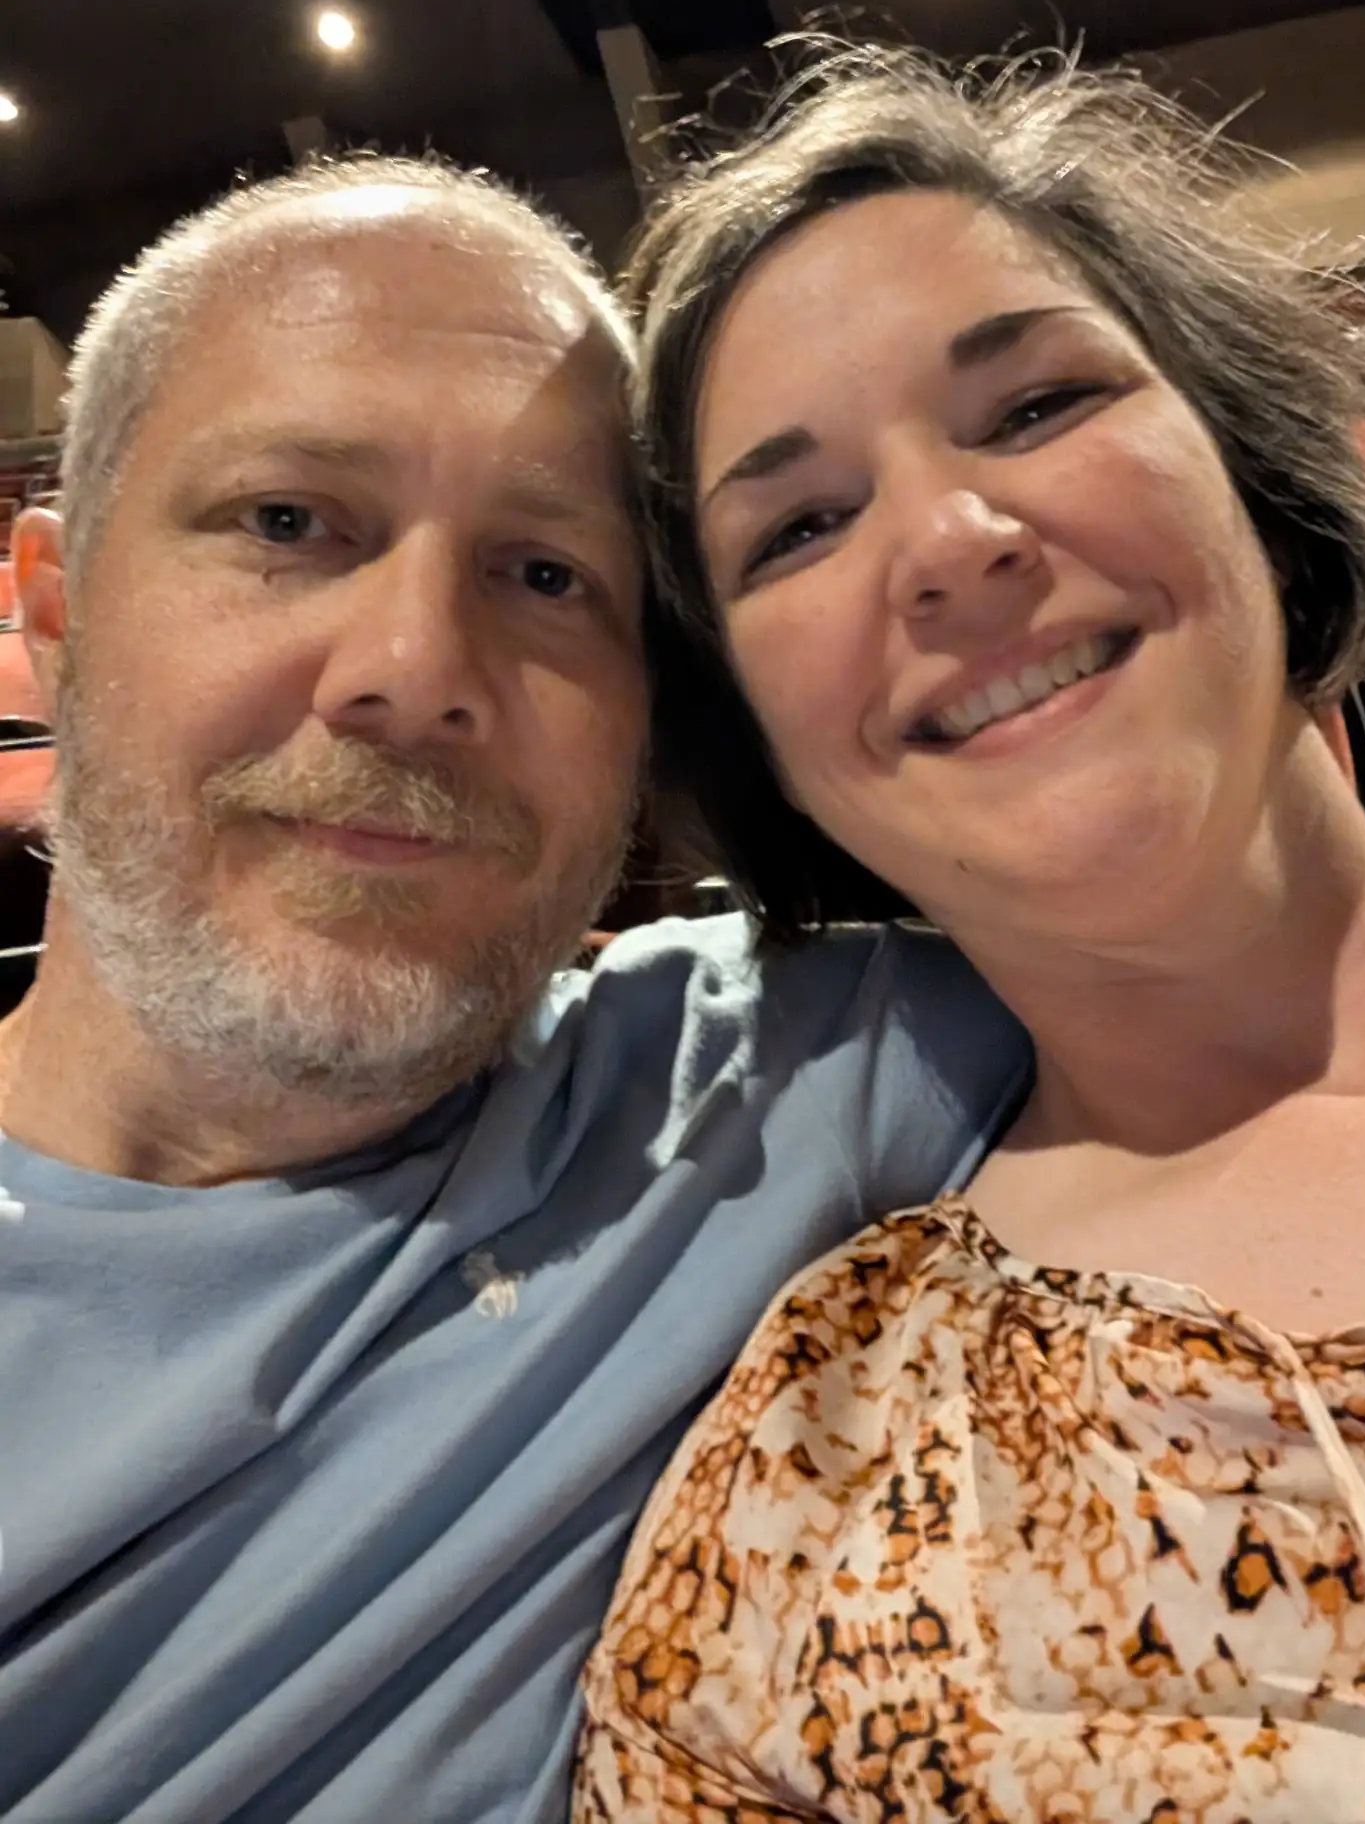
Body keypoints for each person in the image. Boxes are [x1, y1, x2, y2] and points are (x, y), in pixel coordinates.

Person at [0, 154, 1033, 1824]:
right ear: (55, 612)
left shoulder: (791, 1083)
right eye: (287, 523)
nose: (415, 674)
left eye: (548, 575)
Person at [575, 47, 1365, 1821]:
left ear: (1243, 453)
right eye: (799, 526)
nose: (948, 544)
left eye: (1031, 407)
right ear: (751, 730)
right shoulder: (802, 1503)